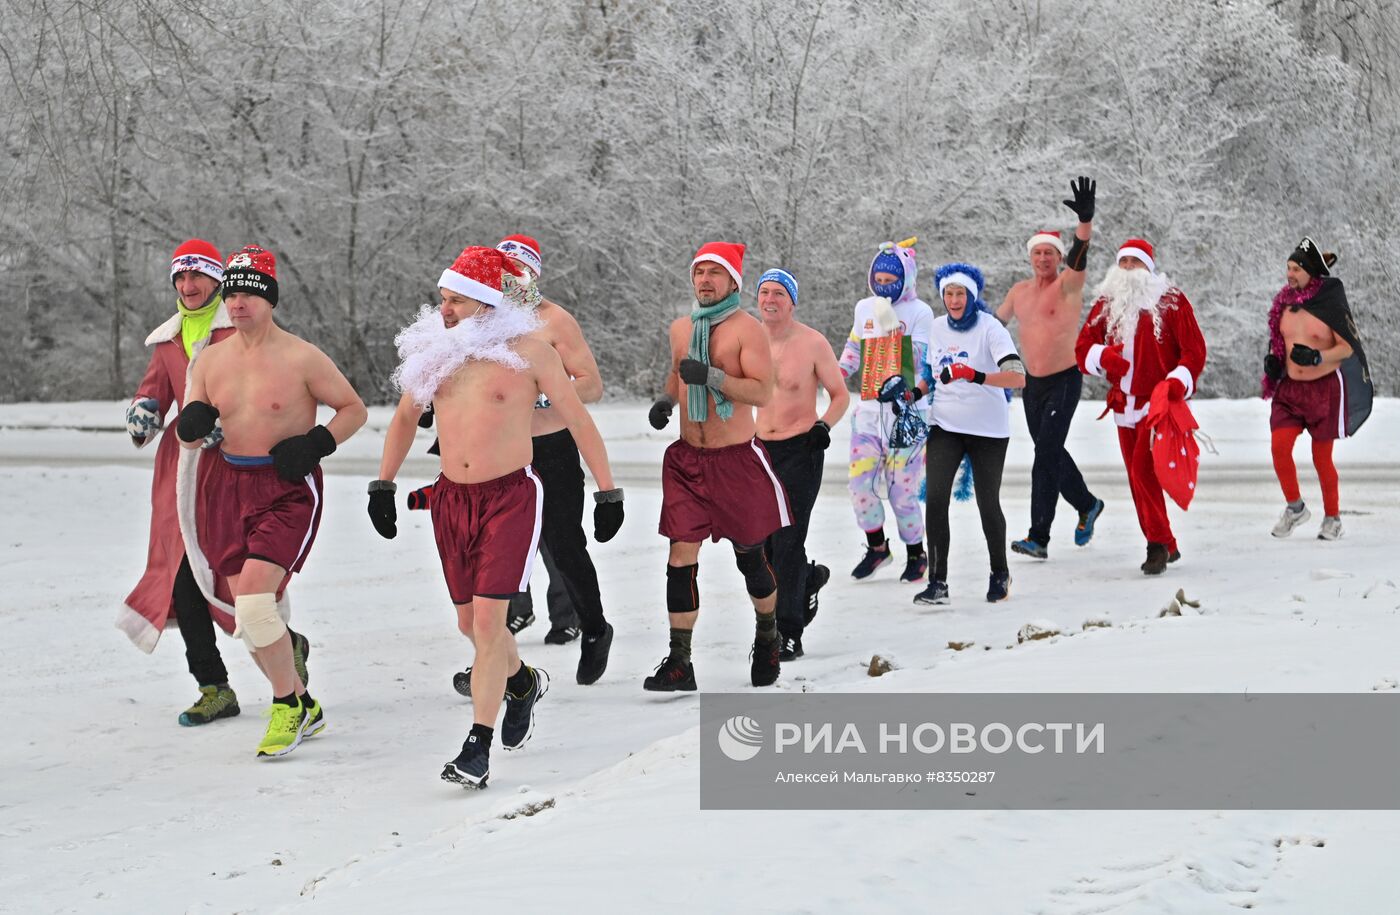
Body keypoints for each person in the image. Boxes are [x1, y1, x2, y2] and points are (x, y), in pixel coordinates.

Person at [389, 245, 623, 789]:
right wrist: (383, 483)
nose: (443, 309)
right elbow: (406, 416)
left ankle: (479, 745)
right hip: (459, 491)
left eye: (455, 300)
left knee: (521, 591)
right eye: (442, 298)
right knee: (471, 623)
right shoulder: (441, 351)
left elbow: (583, 406)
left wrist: (607, 491)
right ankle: (520, 682)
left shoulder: (541, 337)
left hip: (523, 474)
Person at [178, 244, 368, 757]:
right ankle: (306, 704)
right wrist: (191, 425)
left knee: (258, 604)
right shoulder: (210, 359)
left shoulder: (302, 356)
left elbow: (353, 408)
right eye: (232, 293)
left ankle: (286, 705)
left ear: (271, 300)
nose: (238, 303)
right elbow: (193, 431)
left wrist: (316, 443)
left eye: (249, 295)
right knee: (251, 618)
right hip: (225, 488)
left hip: (285, 489)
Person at [645, 242, 790, 690]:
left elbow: (762, 392)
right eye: (699, 271)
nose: (705, 279)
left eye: (714, 272)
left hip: (735, 461)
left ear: (732, 282)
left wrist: (711, 378)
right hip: (688, 460)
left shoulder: (747, 330)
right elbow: (677, 370)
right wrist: (667, 400)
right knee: (680, 556)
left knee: (750, 557)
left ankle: (768, 636)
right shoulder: (681, 327)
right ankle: (679, 661)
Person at [119, 239, 251, 727]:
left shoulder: (239, 326)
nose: (188, 285)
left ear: (218, 280)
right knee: (181, 575)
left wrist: (230, 421)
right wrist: (144, 410)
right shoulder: (170, 339)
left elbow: (262, 387)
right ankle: (213, 686)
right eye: (180, 277)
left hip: (234, 468)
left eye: (197, 276)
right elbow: (154, 387)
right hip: (181, 470)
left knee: (239, 571)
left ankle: (285, 642)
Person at [1075, 239, 1207, 575]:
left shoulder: (1172, 301)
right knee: (1137, 480)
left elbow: (1194, 351)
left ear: (1149, 267)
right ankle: (1167, 541)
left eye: (1136, 262)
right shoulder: (1108, 302)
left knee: (1142, 470)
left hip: (1157, 403)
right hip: (1123, 403)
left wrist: (1178, 381)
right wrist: (1103, 357)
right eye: (1124, 262)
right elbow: (1083, 346)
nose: (1129, 269)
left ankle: (1157, 545)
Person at [996, 177, 1105, 559]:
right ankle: (1088, 505)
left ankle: (1038, 537)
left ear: (1058, 259)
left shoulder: (1068, 286)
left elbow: (1080, 256)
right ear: (1030, 256)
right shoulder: (1018, 293)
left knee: (1045, 456)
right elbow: (992, 328)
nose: (1043, 259)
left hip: (1063, 380)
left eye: (1050, 254)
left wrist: (1084, 224)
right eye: (1038, 253)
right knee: (1051, 453)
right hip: (1033, 386)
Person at [915, 264, 1026, 604]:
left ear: (972, 296)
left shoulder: (990, 328)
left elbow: (1017, 376)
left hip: (988, 430)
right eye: (948, 293)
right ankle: (938, 582)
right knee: (934, 499)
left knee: (987, 502)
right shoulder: (936, 327)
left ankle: (999, 572)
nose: (953, 300)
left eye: (960, 293)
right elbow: (931, 374)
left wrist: (976, 375)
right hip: (946, 425)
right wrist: (914, 394)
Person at [754, 268, 849, 660]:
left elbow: (841, 394)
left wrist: (823, 426)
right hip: (757, 451)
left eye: (779, 293)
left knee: (789, 541)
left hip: (801, 449)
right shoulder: (747, 340)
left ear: (792, 301)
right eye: (764, 293)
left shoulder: (812, 343)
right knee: (761, 545)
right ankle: (806, 582)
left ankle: (787, 632)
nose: (770, 300)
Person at [837, 239, 934, 583]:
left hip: (906, 416)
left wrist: (893, 330)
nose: (884, 284)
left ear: (906, 279)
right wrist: (834, 372)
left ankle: (916, 554)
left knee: (900, 492)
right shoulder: (864, 308)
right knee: (859, 485)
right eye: (878, 277)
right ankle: (878, 548)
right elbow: (852, 349)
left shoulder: (921, 312)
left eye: (892, 279)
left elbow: (922, 362)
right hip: (867, 414)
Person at [1261, 237, 1371, 540]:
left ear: (1310, 271)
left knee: (1321, 458)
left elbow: (1347, 347)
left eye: (1296, 268)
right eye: (1288, 268)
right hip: (1290, 391)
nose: (1290, 274)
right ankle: (1295, 508)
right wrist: (1274, 362)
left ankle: (1333, 518)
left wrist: (1317, 356)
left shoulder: (1329, 305)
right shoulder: (1284, 302)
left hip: (1324, 390)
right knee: (1279, 447)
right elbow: (1279, 342)